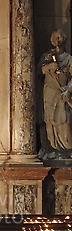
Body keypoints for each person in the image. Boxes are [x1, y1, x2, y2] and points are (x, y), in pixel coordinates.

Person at [39, 29, 72, 158]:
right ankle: (51, 149)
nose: (57, 41)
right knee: (49, 121)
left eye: (60, 38)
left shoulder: (69, 59)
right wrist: (48, 67)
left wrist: (69, 91)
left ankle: (66, 149)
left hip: (62, 93)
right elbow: (37, 73)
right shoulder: (46, 57)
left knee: (64, 121)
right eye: (55, 38)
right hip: (49, 93)